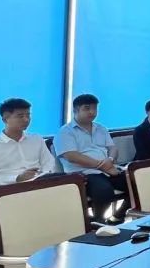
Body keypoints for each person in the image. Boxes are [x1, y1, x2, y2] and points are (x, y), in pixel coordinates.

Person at [54, 94, 127, 222]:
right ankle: (98, 222)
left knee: (136, 182)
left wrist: (110, 160)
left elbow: (113, 148)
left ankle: (118, 215)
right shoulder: (65, 131)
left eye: (94, 108)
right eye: (87, 108)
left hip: (108, 168)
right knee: (104, 191)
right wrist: (102, 165)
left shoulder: (101, 128)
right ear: (75, 110)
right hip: (83, 173)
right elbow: (71, 156)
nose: (92, 112)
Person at [0, 98, 57, 187]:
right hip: (9, 190)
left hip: (40, 185)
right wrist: (17, 178)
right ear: (5, 119)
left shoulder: (36, 139)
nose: (26, 120)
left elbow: (49, 164)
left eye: (28, 115)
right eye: (20, 116)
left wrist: (44, 176)